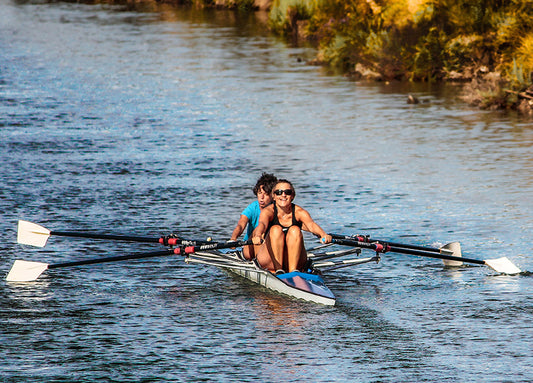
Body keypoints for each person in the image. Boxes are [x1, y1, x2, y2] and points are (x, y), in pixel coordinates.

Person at [252, 179, 332, 273]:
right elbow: (262, 225)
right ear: (273, 196)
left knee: (295, 229)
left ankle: (293, 272)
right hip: (270, 261)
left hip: (294, 261)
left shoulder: (299, 212)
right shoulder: (268, 212)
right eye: (279, 192)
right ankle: (279, 270)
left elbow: (311, 225)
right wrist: (257, 236)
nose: (283, 195)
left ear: (293, 196)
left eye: (287, 192)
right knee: (276, 229)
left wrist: (323, 234)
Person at [230, 172, 278, 260]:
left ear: (273, 196)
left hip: (271, 246)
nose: (261, 197)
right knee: (260, 229)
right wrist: (233, 238)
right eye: (260, 193)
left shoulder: (278, 209)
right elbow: (240, 225)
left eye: (266, 194)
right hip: (250, 248)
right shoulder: (252, 207)